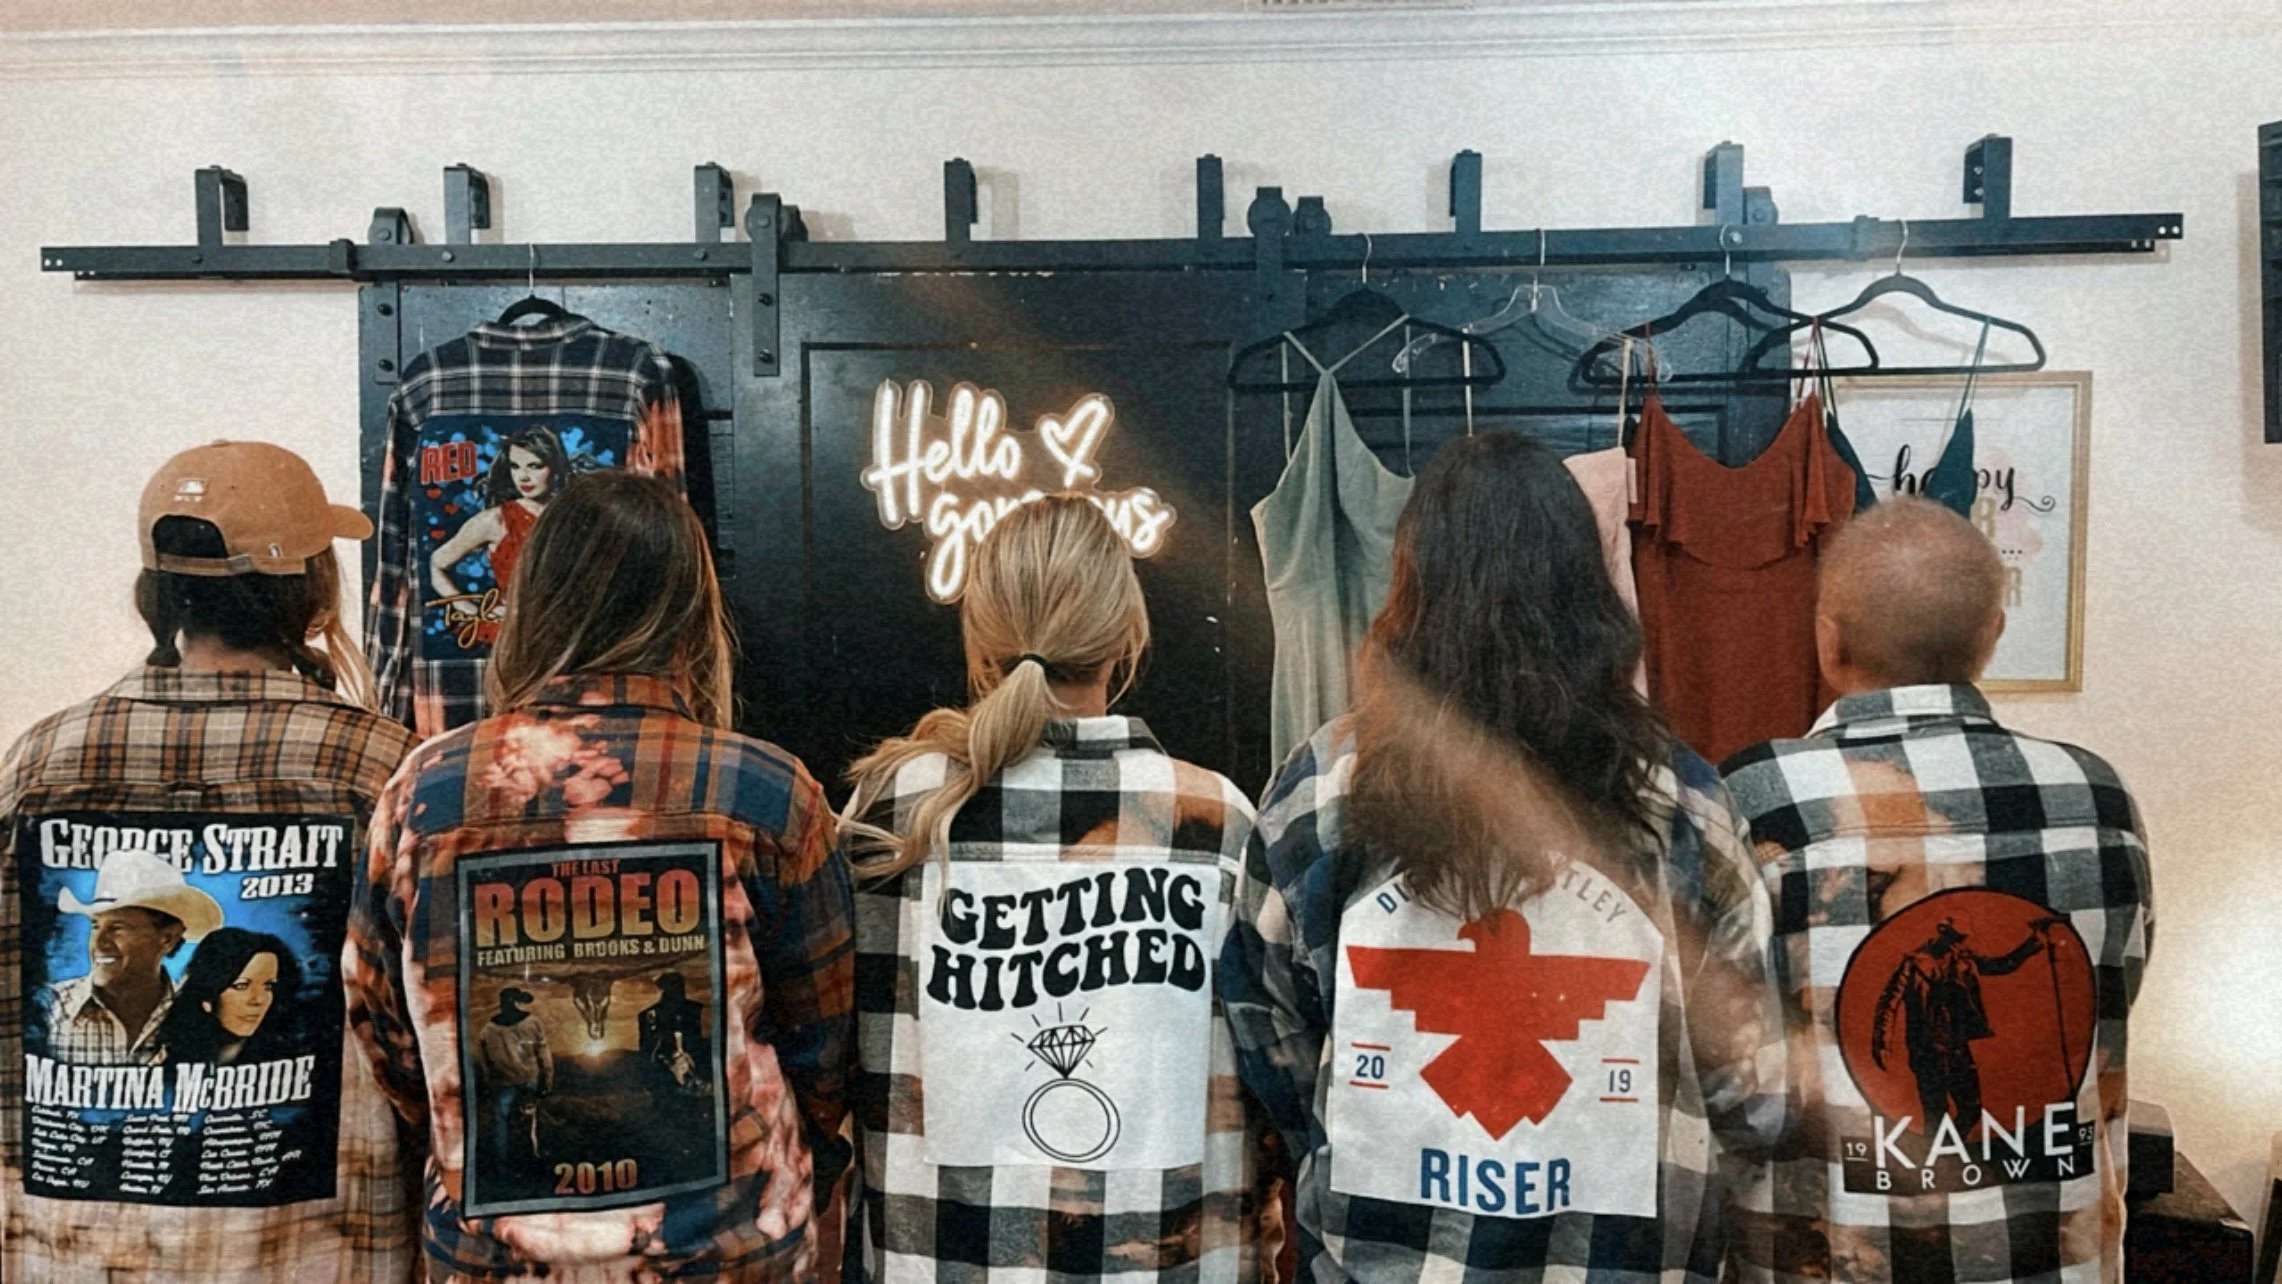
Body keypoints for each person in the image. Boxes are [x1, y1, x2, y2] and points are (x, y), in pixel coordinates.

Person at [1219, 432, 1785, 1283]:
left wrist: (1373, 1133)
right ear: (1585, 590)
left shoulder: (1318, 789)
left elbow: (1272, 1042)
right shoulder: (1682, 799)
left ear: (1412, 584)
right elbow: (1754, 1089)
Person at [347, 470, 854, 1282]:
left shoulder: (424, 791)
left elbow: (387, 1034)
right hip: (728, 1250)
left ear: (532, 604)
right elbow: (824, 1049)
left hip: (493, 1255)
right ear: (693, 616)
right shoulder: (766, 791)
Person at [0, 440, 419, 1282]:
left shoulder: (43, 759)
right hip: (316, 1249)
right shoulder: (378, 766)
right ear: (310, 589)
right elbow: (415, 1031)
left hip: (76, 1249)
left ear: (158, 593)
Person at [841, 495, 1280, 1283]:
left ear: (980, 639)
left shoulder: (897, 809)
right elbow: (1274, 1082)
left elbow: (832, 1050)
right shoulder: (1214, 820)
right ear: (1126, 637)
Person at [1721, 497, 2153, 1284]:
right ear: (1992, 636)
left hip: (1830, 1260)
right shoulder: (2099, 795)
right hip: (2049, 1261)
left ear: (1828, 638)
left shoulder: (1757, 797)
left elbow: (1726, 1068)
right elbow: (2110, 997)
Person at [35, 847, 223, 1064]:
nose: (99, 942)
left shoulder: (196, 1017)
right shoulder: (49, 1007)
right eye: (95, 926)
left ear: (167, 939)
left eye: (117, 928)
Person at [428, 425, 571, 601]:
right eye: (515, 466)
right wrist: (468, 609)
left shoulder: (574, 515)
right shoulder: (495, 519)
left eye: (534, 466)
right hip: (511, 625)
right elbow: (436, 564)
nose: (523, 477)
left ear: (555, 468)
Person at [154, 926, 305, 1066]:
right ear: (207, 996)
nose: (257, 1000)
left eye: (268, 986)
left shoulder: (287, 1058)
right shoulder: (166, 1059)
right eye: (241, 986)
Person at [474, 987, 554, 1167]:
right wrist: (547, 1079)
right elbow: (543, 1053)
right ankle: (532, 1156)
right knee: (530, 1121)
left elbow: (485, 1062)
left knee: (501, 1123)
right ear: (518, 1002)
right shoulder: (532, 1023)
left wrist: (488, 1082)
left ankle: (502, 1161)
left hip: (502, 1084)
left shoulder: (487, 1030)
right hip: (529, 1080)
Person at [638, 970, 709, 1094]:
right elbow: (647, 1049)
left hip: (689, 1071)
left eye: (679, 986)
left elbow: (697, 1041)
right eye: (674, 986)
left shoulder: (694, 1009)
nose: (678, 990)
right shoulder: (649, 1015)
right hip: (663, 1074)